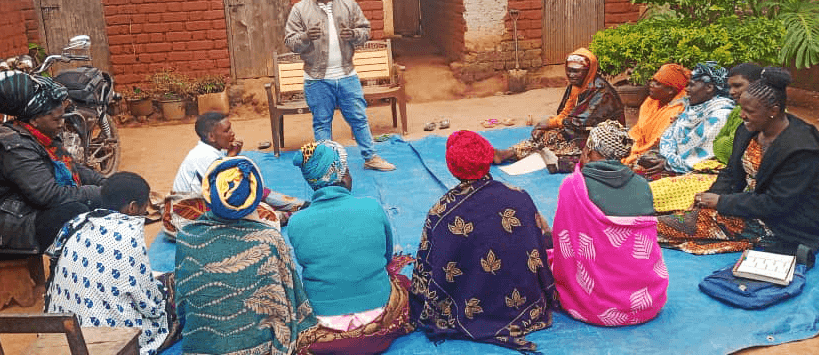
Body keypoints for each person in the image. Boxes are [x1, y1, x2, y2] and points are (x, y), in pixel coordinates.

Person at [657, 68, 819, 256]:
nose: (741, 115)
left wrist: (721, 202)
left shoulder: (799, 150)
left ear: (773, 111)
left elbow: (777, 203)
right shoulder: (748, 131)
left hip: (784, 222)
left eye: (749, 111)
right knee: (677, 213)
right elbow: (731, 173)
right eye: (741, 108)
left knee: (661, 228)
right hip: (746, 205)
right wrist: (712, 196)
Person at [410, 131, 556, 352]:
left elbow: (426, 270)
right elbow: (538, 252)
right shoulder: (520, 197)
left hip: (463, 312)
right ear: (489, 159)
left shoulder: (441, 213)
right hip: (524, 307)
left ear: (452, 166)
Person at [175, 156, 318, 355]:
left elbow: (182, 303)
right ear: (255, 198)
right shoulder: (269, 240)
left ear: (209, 194)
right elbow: (290, 297)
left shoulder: (186, 237)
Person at [287, 141, 413, 354]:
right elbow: (386, 257)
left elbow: (306, 261)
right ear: (343, 174)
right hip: (378, 314)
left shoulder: (296, 222)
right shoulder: (371, 207)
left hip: (324, 319)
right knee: (402, 282)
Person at [0, 70, 105, 260]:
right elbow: (49, 196)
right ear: (34, 119)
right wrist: (100, 193)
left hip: (23, 217)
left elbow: (72, 168)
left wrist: (107, 183)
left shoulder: (39, 136)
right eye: (56, 119)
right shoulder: (15, 149)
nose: (61, 124)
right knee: (76, 214)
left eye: (62, 117)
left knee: (87, 206)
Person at [45, 172, 179, 355]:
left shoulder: (78, 222)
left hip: (66, 331)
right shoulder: (127, 235)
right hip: (106, 338)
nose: (143, 215)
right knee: (174, 301)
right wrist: (165, 301)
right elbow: (147, 302)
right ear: (132, 208)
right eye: (143, 209)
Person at [551, 121, 668, 326]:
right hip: (648, 302)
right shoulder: (642, 184)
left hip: (595, 306)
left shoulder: (574, 186)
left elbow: (566, 244)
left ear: (589, 151)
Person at [284, 0, 395, 172]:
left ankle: (370, 157)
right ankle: (328, 166)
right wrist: (306, 36)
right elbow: (290, 42)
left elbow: (365, 31)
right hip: (316, 79)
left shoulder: (348, 3)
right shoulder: (300, 9)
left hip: (347, 74)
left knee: (359, 118)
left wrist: (354, 34)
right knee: (322, 123)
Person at [649, 62, 764, 213]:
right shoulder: (736, 114)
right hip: (720, 175)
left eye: (737, 86)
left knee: (655, 193)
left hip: (719, 177)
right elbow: (721, 149)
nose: (732, 92)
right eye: (731, 87)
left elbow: (724, 152)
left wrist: (670, 162)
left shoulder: (725, 114)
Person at [168, 112, 306, 235]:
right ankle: (295, 211)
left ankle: (299, 206)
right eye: (227, 130)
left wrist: (231, 156)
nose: (232, 133)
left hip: (200, 204)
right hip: (185, 217)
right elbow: (227, 192)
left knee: (254, 192)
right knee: (258, 211)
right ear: (211, 136)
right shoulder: (204, 156)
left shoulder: (210, 151)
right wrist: (232, 157)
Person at [494, 48, 625, 172]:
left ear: (589, 71)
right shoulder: (576, 86)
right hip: (580, 130)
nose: (571, 75)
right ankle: (508, 153)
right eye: (569, 70)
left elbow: (582, 122)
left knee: (566, 147)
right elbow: (564, 113)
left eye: (576, 71)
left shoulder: (602, 92)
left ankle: (569, 163)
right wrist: (549, 125)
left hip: (603, 138)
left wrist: (552, 123)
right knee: (545, 137)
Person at [636, 62, 735, 180]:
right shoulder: (693, 108)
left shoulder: (721, 115)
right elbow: (671, 137)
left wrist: (668, 164)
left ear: (709, 88)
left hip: (701, 173)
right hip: (673, 162)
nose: (686, 90)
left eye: (691, 85)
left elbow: (702, 154)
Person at [621, 63, 690, 166]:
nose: (651, 84)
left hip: (659, 152)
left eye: (657, 83)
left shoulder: (678, 110)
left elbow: (656, 143)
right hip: (640, 147)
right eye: (653, 80)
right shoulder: (651, 102)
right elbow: (638, 130)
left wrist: (633, 154)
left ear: (670, 90)